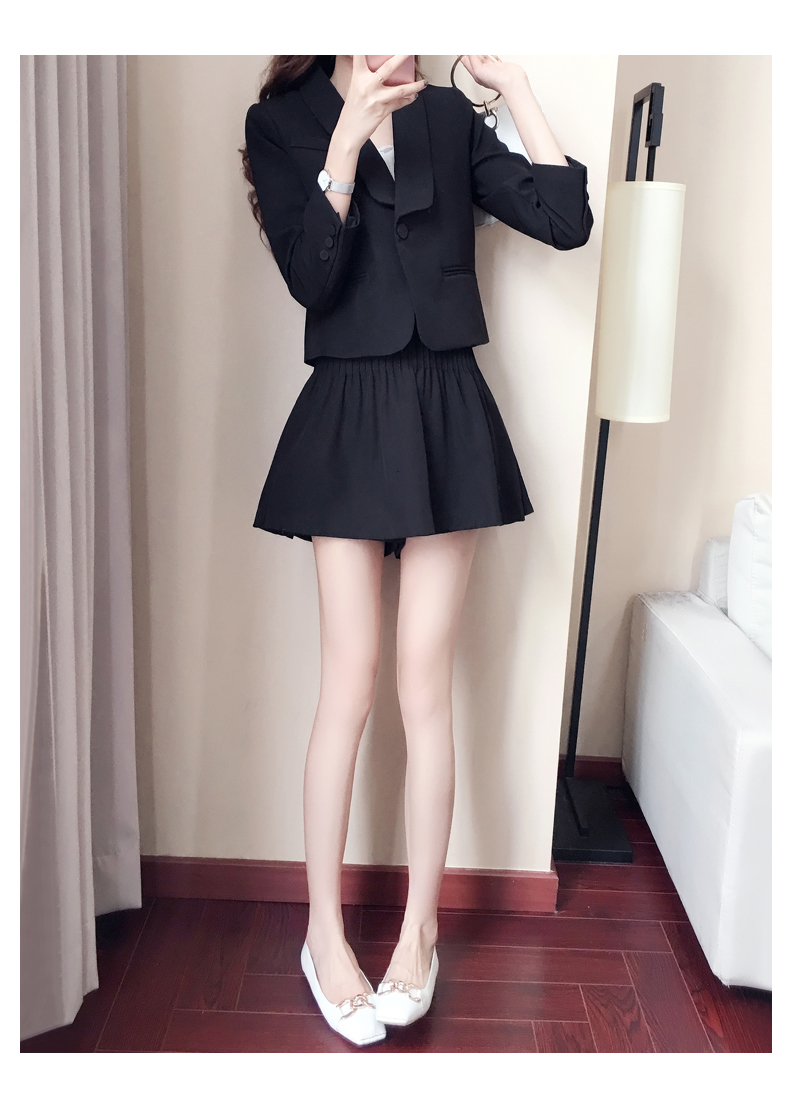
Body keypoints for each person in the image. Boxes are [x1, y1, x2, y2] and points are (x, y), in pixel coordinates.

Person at [241, 54, 593, 1045]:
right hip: (348, 409)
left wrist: (516, 89)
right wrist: (348, 138)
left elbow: (565, 219)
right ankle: (323, 934)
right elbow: (311, 277)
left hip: (444, 410)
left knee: (424, 690)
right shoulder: (283, 120)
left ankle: (418, 935)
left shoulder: (447, 115)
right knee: (347, 686)